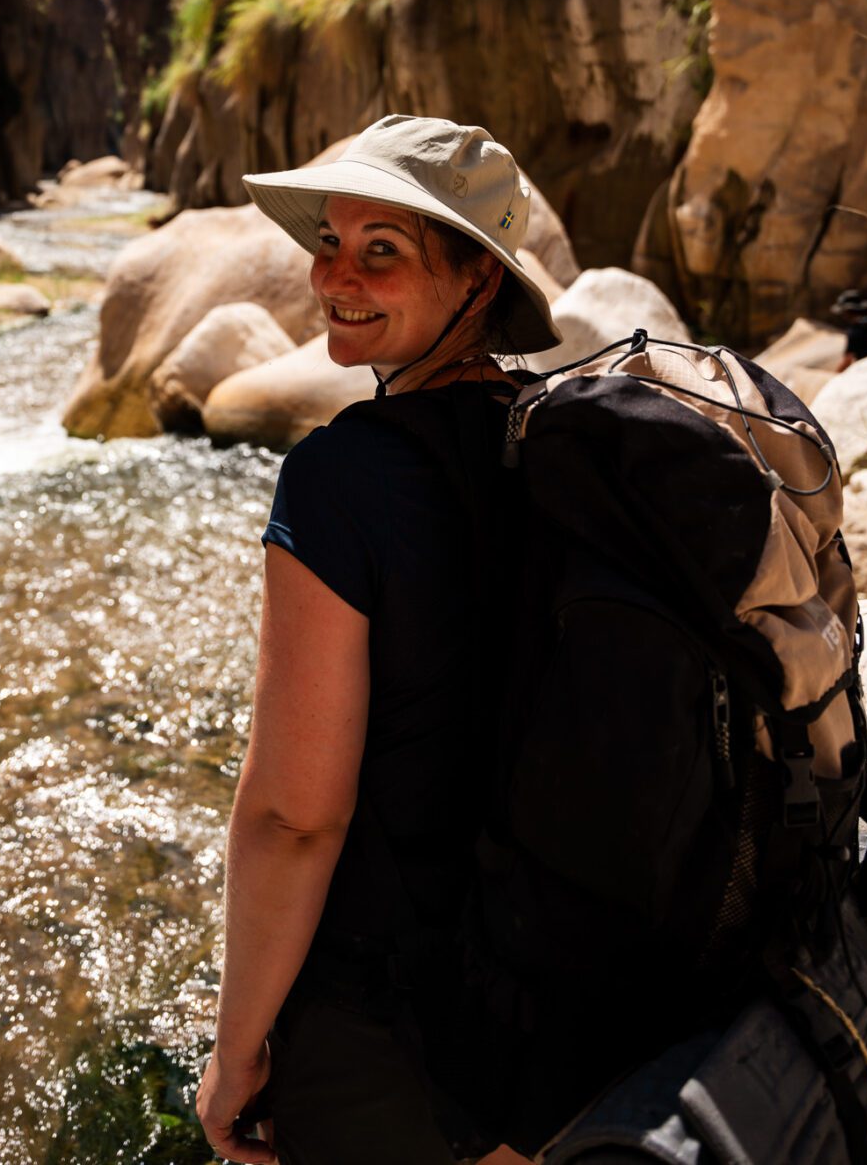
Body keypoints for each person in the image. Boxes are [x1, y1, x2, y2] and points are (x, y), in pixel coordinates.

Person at [195, 115, 564, 1165]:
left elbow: (295, 817)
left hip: (395, 1031)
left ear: (479, 282)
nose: (334, 277)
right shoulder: (566, 449)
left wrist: (235, 1053)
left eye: (382, 252)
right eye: (328, 243)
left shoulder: (340, 477)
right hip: (561, 1010)